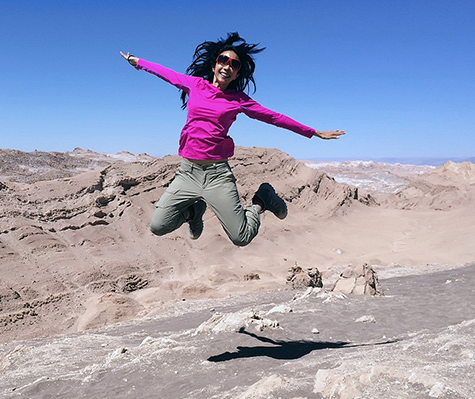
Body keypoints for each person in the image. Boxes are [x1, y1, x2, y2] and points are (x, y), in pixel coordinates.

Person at [120, 32, 345, 246]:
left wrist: (313, 132)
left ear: (237, 74)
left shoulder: (238, 100)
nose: (227, 66)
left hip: (217, 175)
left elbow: (274, 117)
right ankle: (194, 212)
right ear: (214, 65)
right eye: (223, 60)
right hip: (188, 173)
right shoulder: (195, 84)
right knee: (158, 226)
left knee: (241, 237)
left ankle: (262, 200)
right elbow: (165, 73)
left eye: (234, 65)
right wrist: (138, 62)